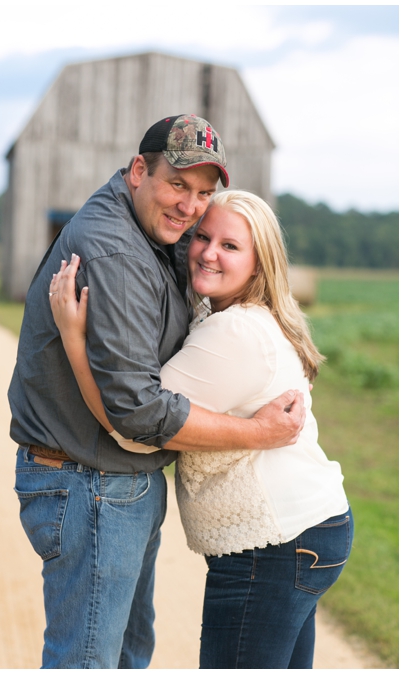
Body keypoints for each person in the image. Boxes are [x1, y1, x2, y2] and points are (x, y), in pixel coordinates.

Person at [7, 114, 306, 669]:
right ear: (139, 170)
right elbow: (136, 411)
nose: (190, 208)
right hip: (90, 484)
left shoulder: (152, 225)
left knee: (125, 655)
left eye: (202, 193)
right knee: (90, 660)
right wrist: (259, 432)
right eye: (177, 184)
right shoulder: (116, 252)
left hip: (114, 482)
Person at [49, 190, 351, 669]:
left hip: (273, 547)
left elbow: (133, 426)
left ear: (258, 263)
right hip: (311, 529)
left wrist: (72, 336)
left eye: (230, 246)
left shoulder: (232, 334)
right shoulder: (240, 317)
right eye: (204, 237)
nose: (209, 252)